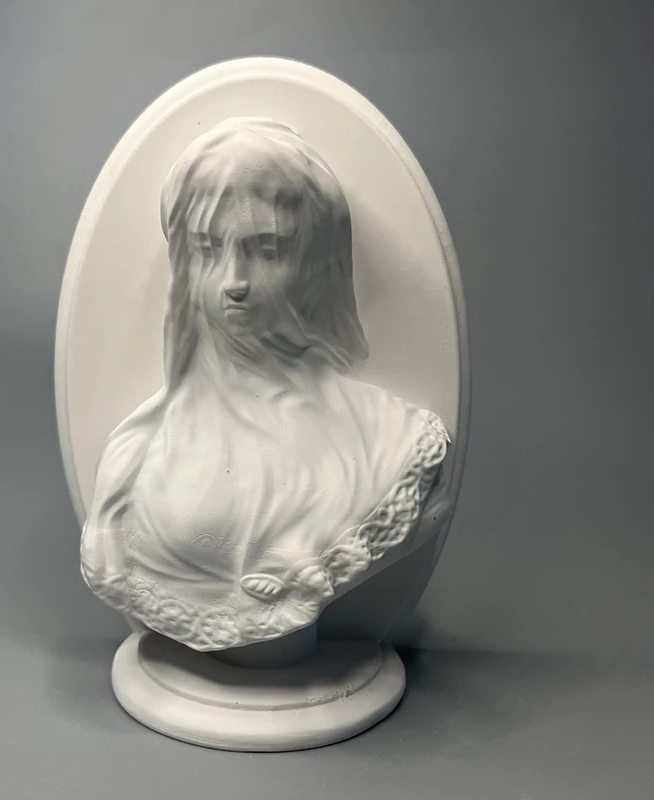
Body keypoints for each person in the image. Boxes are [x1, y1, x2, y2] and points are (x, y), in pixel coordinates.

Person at [80, 118, 449, 651]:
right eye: (208, 249)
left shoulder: (391, 443)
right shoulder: (134, 458)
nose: (234, 281)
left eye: (268, 250)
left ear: (315, 265)